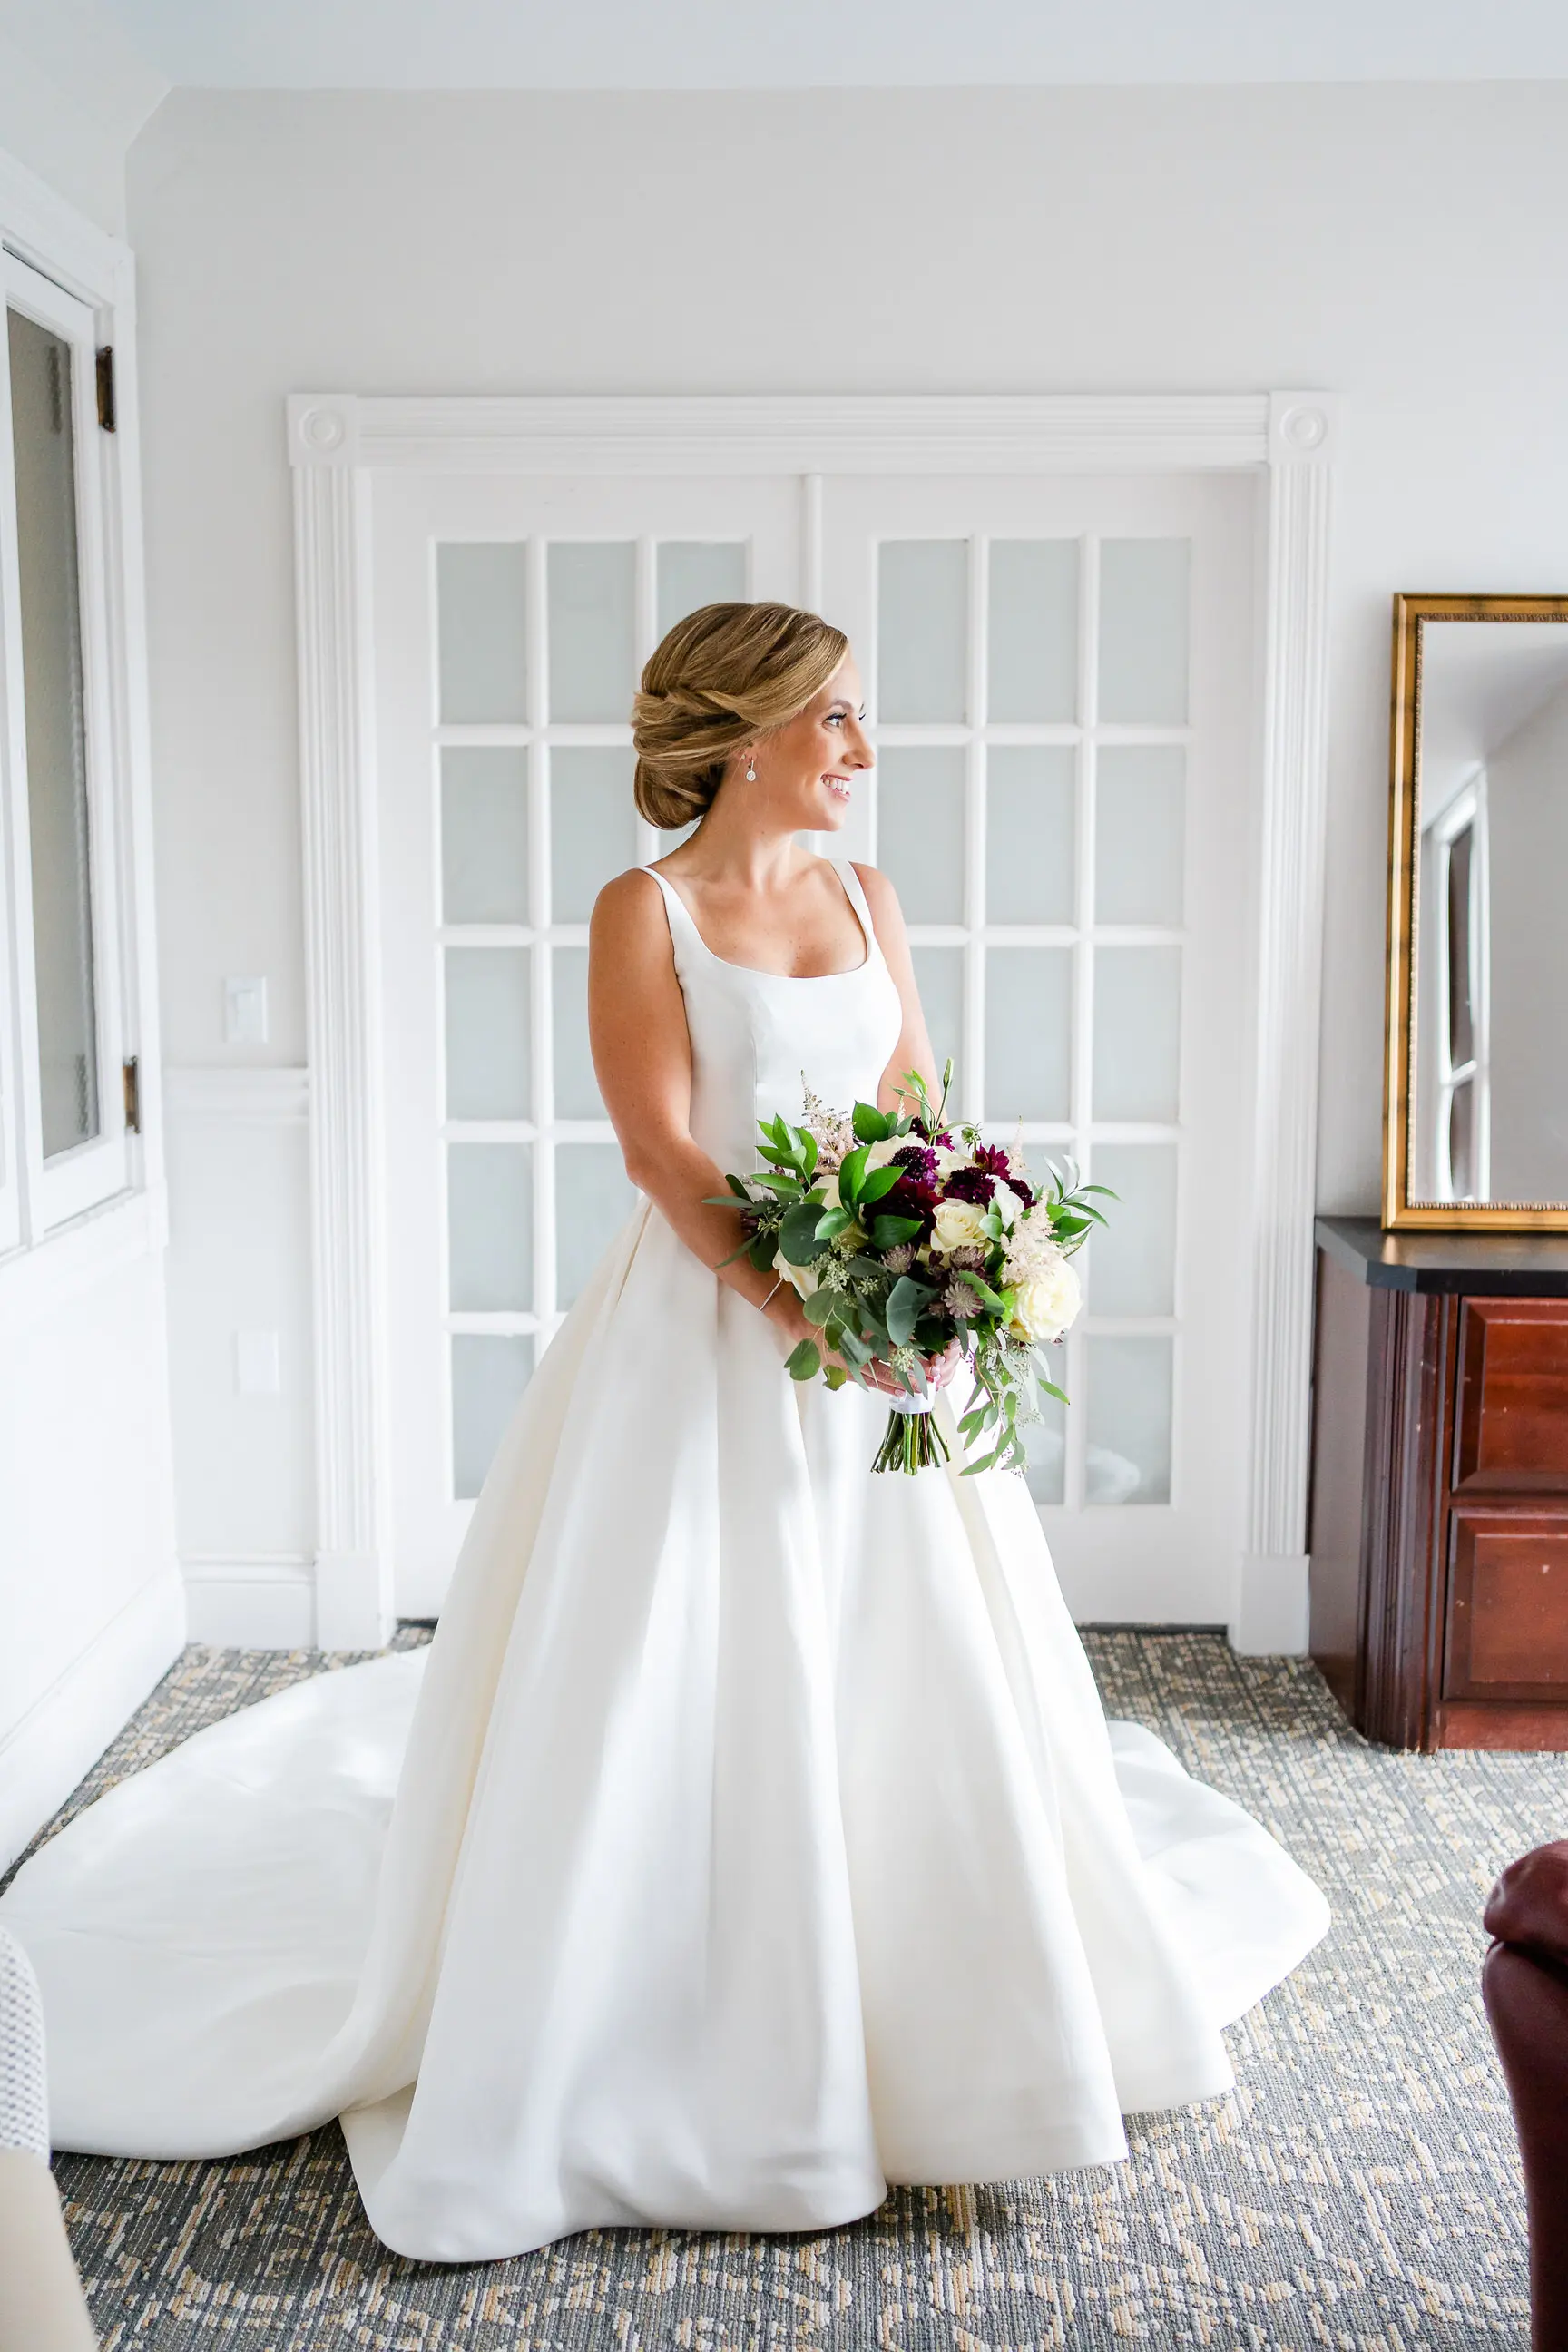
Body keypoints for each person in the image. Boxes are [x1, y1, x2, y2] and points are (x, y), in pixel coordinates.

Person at [0, 602, 1328, 2264]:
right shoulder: (647, 911)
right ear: (752, 731)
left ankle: (928, 1995)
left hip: (880, 1342)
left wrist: (957, 1255)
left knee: (908, 1658)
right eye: (835, 717)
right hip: (709, 1337)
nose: (859, 748)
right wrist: (810, 1319)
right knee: (684, 1658)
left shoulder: (867, 897)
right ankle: (671, 2025)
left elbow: (912, 1096)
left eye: (860, 717)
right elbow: (661, 1150)